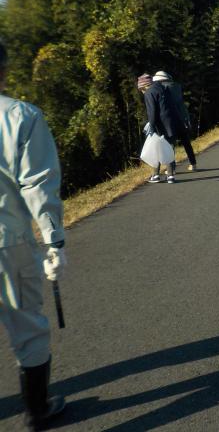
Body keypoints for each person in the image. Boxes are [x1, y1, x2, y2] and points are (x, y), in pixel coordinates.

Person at [0, 41, 68, 429]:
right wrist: (53, 240)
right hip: (8, 242)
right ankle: (37, 409)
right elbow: (38, 185)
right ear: (4, 69)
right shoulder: (20, 116)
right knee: (28, 328)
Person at [138, 73, 183, 183]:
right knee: (168, 148)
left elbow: (152, 112)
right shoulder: (163, 88)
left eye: (141, 89)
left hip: (159, 125)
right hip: (172, 122)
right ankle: (170, 176)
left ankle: (156, 176)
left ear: (144, 86)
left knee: (156, 149)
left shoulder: (149, 92)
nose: (141, 92)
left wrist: (151, 126)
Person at [152, 71, 197, 172]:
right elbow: (181, 105)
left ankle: (171, 169)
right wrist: (186, 118)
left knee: (170, 145)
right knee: (186, 142)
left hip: (169, 120)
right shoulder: (177, 86)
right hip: (181, 118)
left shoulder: (161, 88)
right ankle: (193, 164)